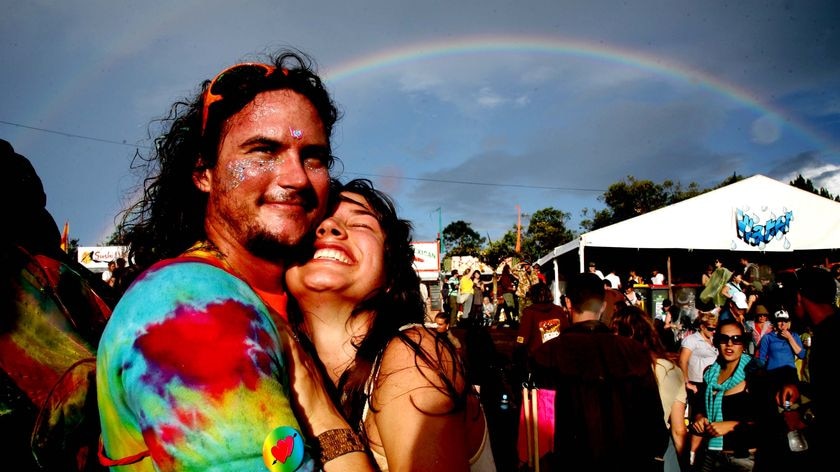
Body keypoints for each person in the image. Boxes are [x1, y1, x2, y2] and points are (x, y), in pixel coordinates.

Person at [96, 51, 368, 470]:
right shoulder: (193, 310)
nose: (296, 177)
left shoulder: (276, 301)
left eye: (313, 157)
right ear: (203, 171)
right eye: (263, 151)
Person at [285, 179, 495, 471]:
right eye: (317, 221)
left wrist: (320, 413)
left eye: (360, 224)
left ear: (391, 275)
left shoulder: (414, 354)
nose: (329, 228)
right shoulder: (278, 366)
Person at [532, 272, 667, 471]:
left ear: (568, 303)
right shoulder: (633, 352)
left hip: (570, 463)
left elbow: (542, 429)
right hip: (628, 463)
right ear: (603, 306)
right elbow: (655, 427)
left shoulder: (547, 354)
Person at [771, 266, 838, 470]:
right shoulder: (827, 330)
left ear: (799, 297)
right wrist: (801, 388)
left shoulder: (830, 337)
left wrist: (803, 421)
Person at [610, 305, 688, 472]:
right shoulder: (671, 370)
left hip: (621, 453)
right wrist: (684, 463)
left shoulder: (613, 369)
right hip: (658, 452)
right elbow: (678, 430)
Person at [689, 318, 759, 471]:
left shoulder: (754, 372)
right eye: (724, 339)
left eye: (736, 339)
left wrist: (732, 425)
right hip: (711, 455)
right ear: (716, 342)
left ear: (744, 343)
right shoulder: (710, 373)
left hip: (742, 459)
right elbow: (700, 406)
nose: (730, 344)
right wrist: (699, 418)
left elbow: (768, 423)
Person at [679, 311, 718, 464]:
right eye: (710, 328)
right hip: (697, 384)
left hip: (712, 385)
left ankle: (704, 452)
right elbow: (683, 361)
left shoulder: (714, 340)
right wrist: (686, 382)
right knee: (698, 419)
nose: (713, 331)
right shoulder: (691, 340)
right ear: (702, 326)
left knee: (710, 418)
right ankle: (692, 454)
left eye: (715, 328)